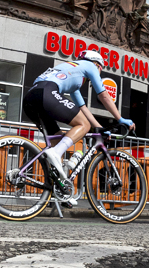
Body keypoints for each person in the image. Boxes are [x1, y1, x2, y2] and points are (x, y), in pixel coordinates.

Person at [23, 48, 134, 182]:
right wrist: (120, 118)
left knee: (57, 142)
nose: (99, 73)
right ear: (97, 64)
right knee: (82, 126)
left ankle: (59, 189)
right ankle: (55, 154)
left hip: (31, 97)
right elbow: (104, 96)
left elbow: (83, 109)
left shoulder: (74, 78)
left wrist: (99, 128)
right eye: (101, 70)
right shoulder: (90, 65)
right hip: (46, 92)